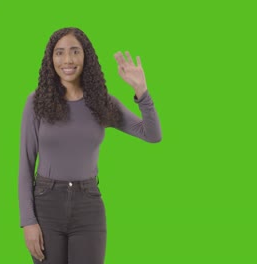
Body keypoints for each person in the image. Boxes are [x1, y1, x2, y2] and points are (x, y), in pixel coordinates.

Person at [18, 27, 162, 264]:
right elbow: (25, 164)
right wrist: (28, 221)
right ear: (50, 59)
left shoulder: (101, 103)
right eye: (60, 52)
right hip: (46, 205)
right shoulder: (36, 102)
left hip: (88, 207)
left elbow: (152, 134)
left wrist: (141, 91)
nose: (67, 60)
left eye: (75, 51)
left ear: (86, 57)